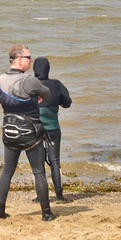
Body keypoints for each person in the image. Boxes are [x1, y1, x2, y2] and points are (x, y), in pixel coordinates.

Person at [0, 43, 54, 221]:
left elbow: (2, 99)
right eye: (29, 57)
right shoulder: (30, 80)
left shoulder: (0, 80)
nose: (31, 60)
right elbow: (47, 94)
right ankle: (46, 213)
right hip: (30, 132)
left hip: (9, 129)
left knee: (7, 171)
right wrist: (35, 97)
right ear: (20, 60)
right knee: (38, 172)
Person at [33, 56, 72, 201]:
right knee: (55, 160)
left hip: (35, 130)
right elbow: (67, 102)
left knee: (38, 163)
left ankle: (39, 196)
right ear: (48, 69)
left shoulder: (30, 84)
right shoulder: (56, 84)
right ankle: (60, 196)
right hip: (53, 128)